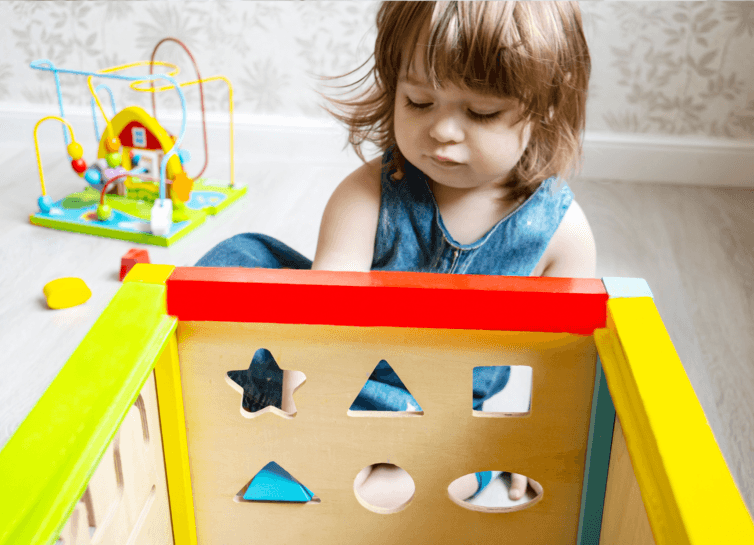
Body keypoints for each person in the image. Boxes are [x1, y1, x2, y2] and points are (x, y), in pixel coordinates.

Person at [198, 1, 595, 505]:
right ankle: (284, 449)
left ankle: (322, 482)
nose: (443, 131)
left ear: (547, 107)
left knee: (410, 484)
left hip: (451, 417)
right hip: (346, 376)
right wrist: (301, 394)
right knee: (240, 259)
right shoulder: (366, 194)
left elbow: (563, 365)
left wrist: (532, 444)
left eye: (481, 112)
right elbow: (319, 321)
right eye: (418, 102)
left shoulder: (562, 233)